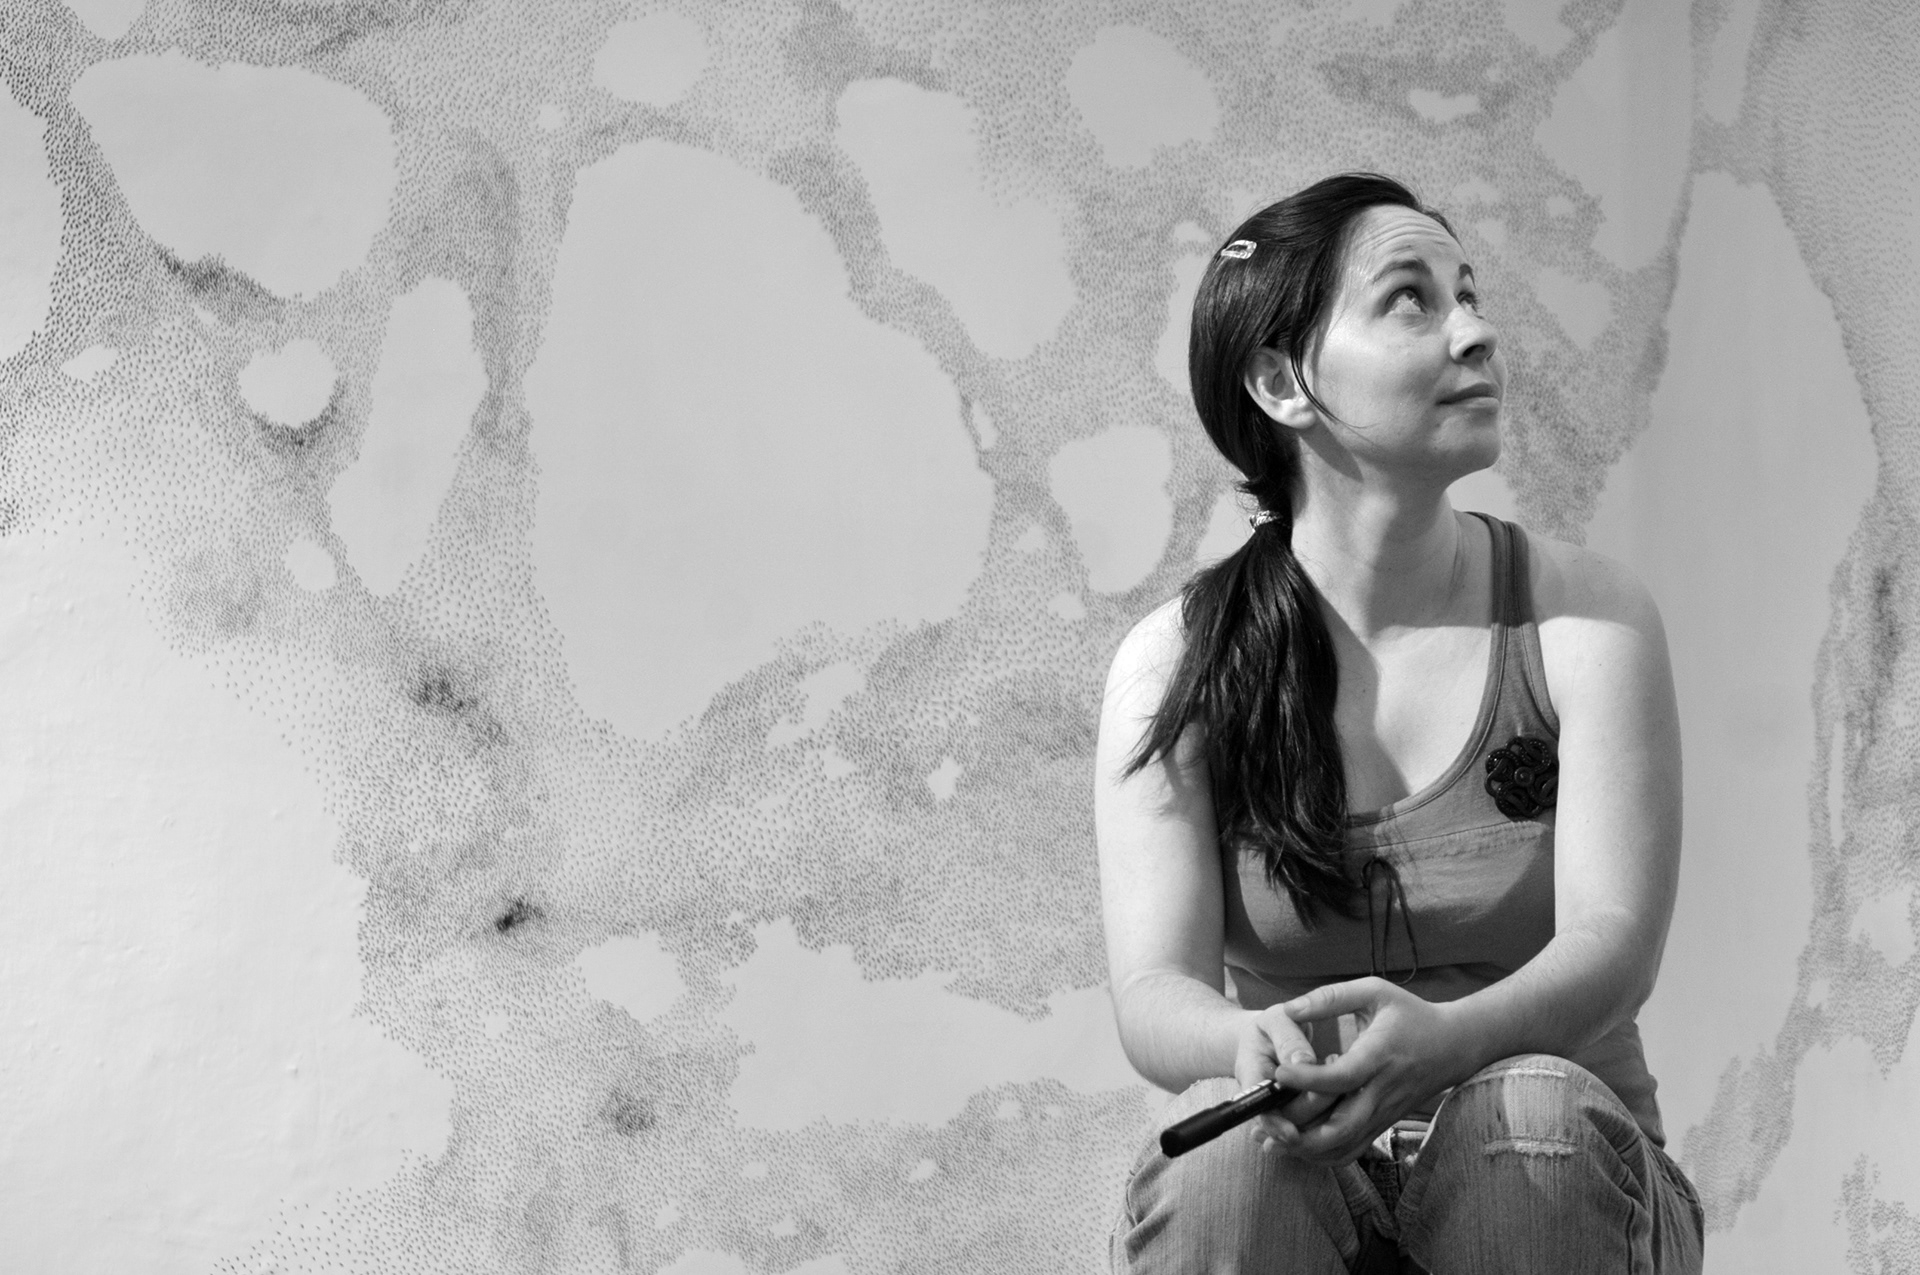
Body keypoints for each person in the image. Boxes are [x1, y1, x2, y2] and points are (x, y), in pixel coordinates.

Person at [1095, 173, 1704, 1274]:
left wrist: (1448, 1046)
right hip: (1312, 1180)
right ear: (1281, 382)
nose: (1475, 332)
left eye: (1468, 293)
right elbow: (1151, 993)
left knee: (1531, 1128)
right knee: (1220, 1171)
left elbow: (1615, 948)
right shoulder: (1175, 667)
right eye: (1411, 299)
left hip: (1560, 1186)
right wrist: (1244, 1040)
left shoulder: (1585, 619)